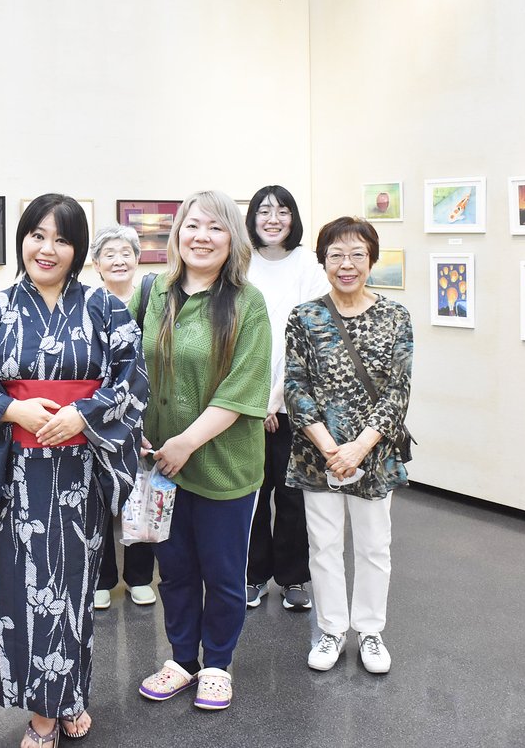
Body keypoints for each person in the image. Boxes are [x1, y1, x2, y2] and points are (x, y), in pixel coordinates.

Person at [0, 194, 148, 747]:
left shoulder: (105, 308)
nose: (47, 248)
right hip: (19, 475)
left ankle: (70, 696)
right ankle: (42, 714)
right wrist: (12, 409)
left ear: (78, 249)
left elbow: (132, 376)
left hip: (82, 469)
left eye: (62, 239)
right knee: (24, 589)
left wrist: (83, 416)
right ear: (22, 240)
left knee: (76, 587)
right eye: (37, 235)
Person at [134, 191, 270, 712]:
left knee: (223, 573)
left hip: (222, 464)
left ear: (232, 238)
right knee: (175, 571)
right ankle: (181, 659)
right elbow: (129, 364)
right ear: (177, 233)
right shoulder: (154, 292)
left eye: (216, 227)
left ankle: (217, 664)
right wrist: (134, 428)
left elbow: (242, 387)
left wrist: (186, 442)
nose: (202, 237)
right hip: (160, 465)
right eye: (193, 225)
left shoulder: (247, 302)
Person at [284, 216, 413, 675]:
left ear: (371, 260)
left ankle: (370, 630)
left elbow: (398, 391)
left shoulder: (395, 316)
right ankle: (332, 628)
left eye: (357, 254)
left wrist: (359, 447)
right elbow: (295, 387)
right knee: (323, 546)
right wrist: (329, 449)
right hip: (317, 454)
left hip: (374, 454)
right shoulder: (304, 316)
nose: (346, 264)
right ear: (323, 261)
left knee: (375, 546)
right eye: (336, 255)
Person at [242, 185, 331, 612]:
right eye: (264, 211)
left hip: (296, 400)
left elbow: (309, 339)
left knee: (293, 493)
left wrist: (276, 398)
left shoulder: (309, 265)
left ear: (293, 218)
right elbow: (234, 335)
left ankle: (294, 578)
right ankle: (253, 576)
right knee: (252, 492)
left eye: (282, 211)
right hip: (245, 401)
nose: (273, 219)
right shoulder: (239, 262)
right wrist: (257, 400)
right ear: (252, 218)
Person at [89, 225, 157, 609]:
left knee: (141, 493)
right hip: (103, 414)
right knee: (98, 496)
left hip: (147, 412)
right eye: (109, 254)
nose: (119, 260)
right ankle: (102, 578)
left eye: (125, 253)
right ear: (96, 264)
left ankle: (140, 577)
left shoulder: (154, 300)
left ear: (137, 259)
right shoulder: (89, 304)